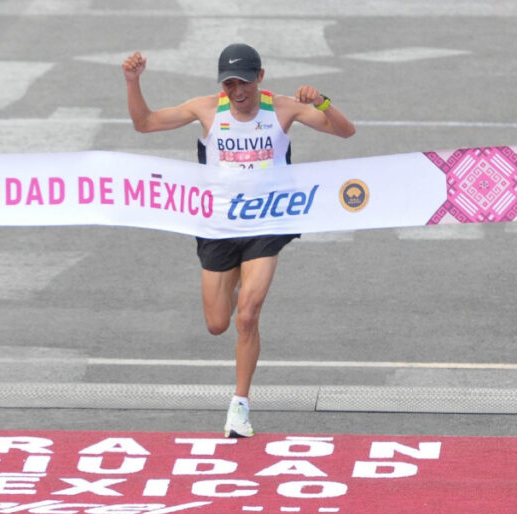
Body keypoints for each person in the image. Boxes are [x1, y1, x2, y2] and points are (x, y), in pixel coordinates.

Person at [123, 43, 355, 438]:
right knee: (218, 323)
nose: (237, 91)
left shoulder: (282, 109)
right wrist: (132, 81)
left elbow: (345, 131)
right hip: (218, 225)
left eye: (244, 82)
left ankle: (240, 406)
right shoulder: (206, 109)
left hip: (267, 222)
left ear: (259, 77)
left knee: (247, 315)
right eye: (229, 84)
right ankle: (233, 286)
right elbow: (144, 123)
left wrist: (323, 102)